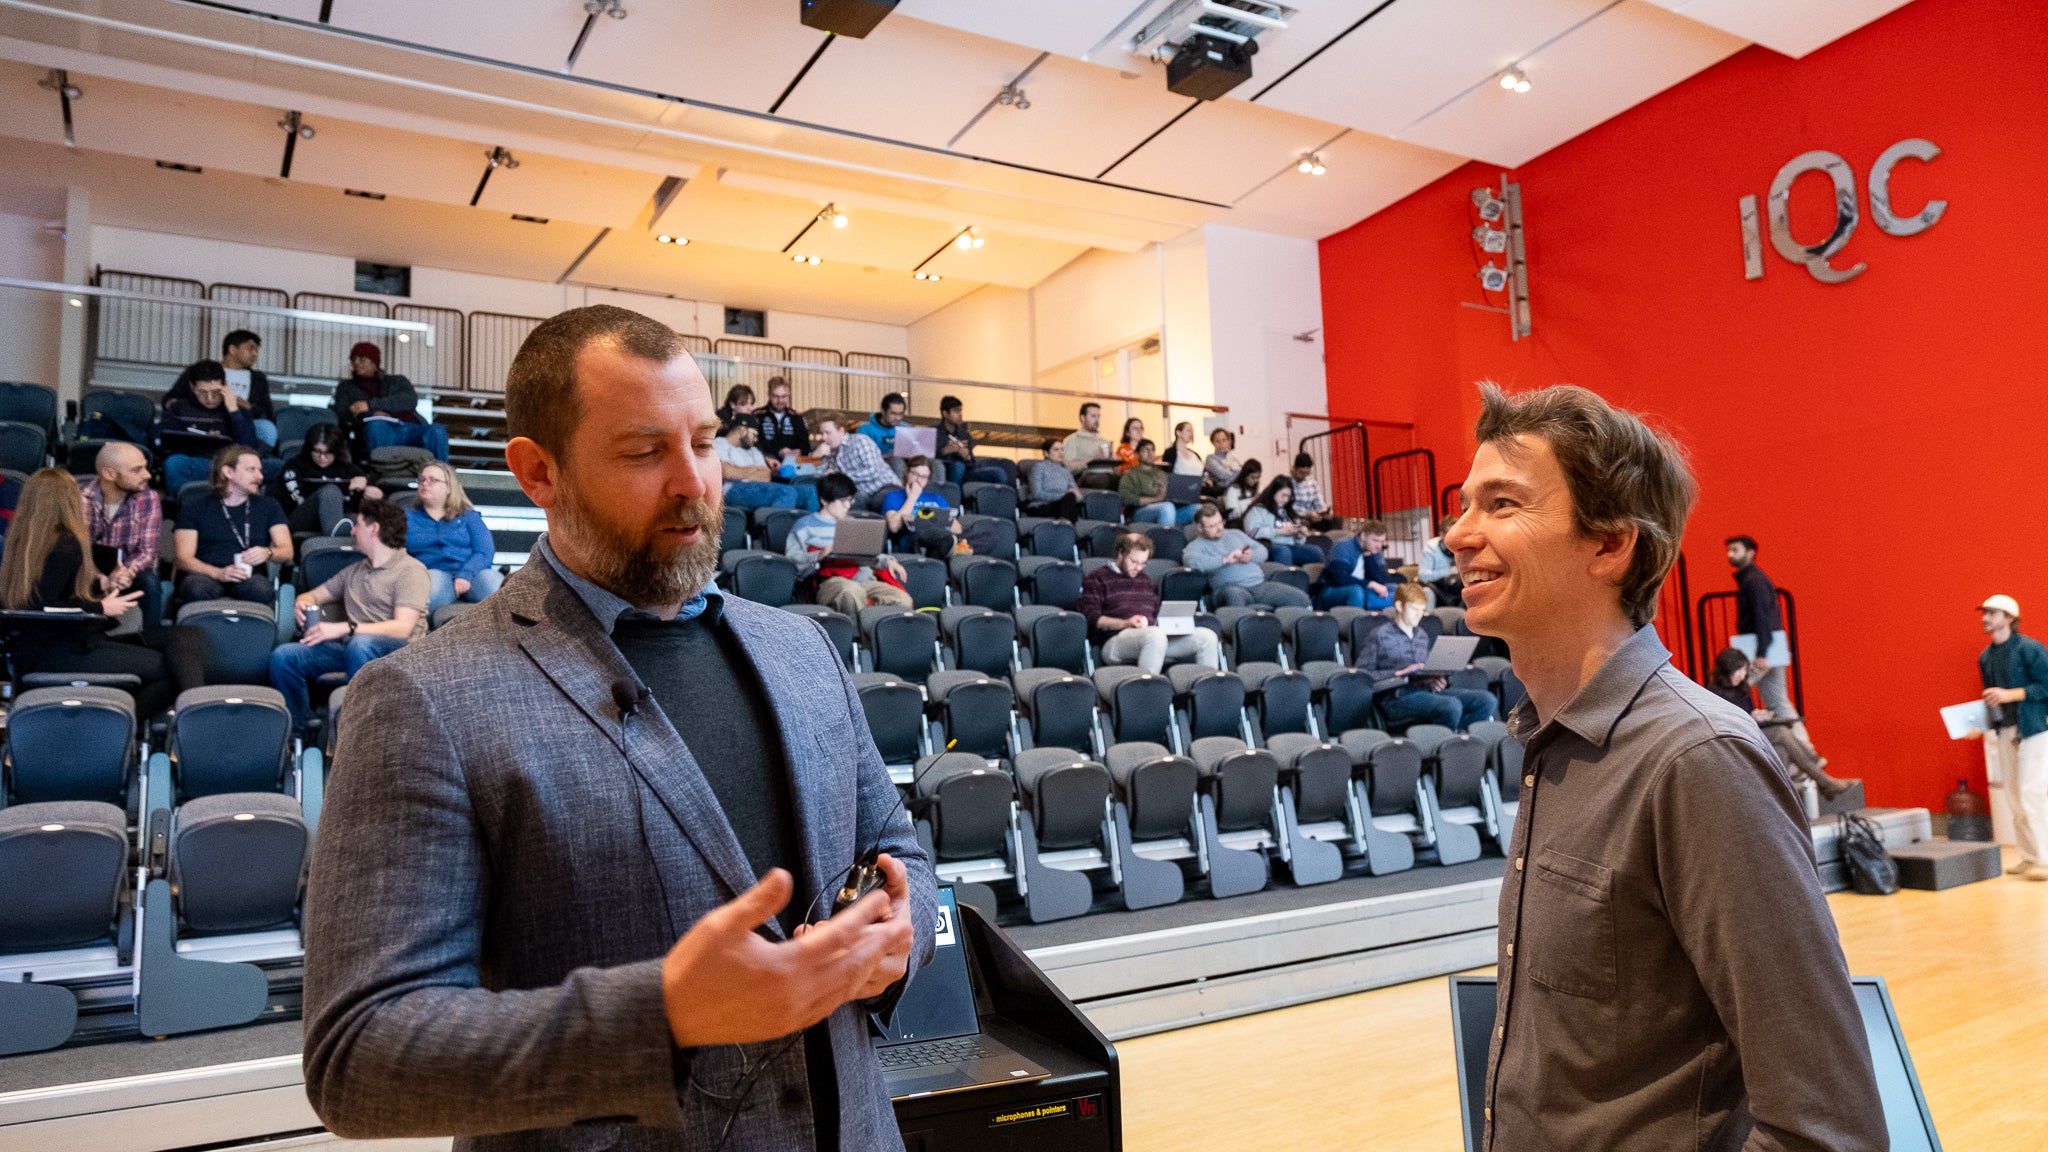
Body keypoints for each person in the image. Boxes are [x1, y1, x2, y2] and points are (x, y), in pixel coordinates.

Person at [301, 305, 933, 1151]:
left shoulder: (804, 648)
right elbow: (360, 1060)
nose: (693, 482)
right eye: (644, 451)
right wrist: (664, 1014)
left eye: (704, 442)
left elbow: (902, 849)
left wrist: (902, 931)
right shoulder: (423, 699)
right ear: (538, 473)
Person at [1450, 382, 1882, 1152]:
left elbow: (1827, 1130)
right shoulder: (1547, 744)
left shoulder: (1698, 760)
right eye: (1464, 503)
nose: (1458, 533)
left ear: (1612, 545)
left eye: (1502, 504)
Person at [1, 468, 204, 718]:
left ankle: (196, 707)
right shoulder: (66, 544)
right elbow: (41, 604)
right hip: (61, 651)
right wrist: (100, 608)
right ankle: (119, 725)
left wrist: (104, 585)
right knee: (174, 669)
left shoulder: (20, 541)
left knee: (182, 638)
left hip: (43, 647)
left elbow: (50, 592)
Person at [269, 499, 428, 733]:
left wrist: (346, 628)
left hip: (398, 652)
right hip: (352, 647)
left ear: (374, 529)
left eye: (358, 525)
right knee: (284, 656)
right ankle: (302, 729)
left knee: (361, 644)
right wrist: (302, 605)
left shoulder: (411, 570)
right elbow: (313, 596)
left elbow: (403, 628)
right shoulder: (354, 571)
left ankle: (360, 726)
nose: (352, 531)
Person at [1725, 534, 1823, 768]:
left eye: (1735, 550)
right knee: (1778, 701)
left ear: (1751, 553)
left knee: (1729, 691)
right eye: (1729, 550)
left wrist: (1761, 653)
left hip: (1759, 648)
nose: (1730, 555)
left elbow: (1763, 617)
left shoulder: (1754, 582)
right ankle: (1808, 753)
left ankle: (1736, 750)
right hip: (1769, 646)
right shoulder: (1754, 580)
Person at [1707, 647, 1855, 800]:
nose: (1742, 674)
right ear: (1726, 670)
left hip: (1754, 732)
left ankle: (1781, 797)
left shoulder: (1741, 688)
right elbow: (1724, 723)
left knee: (1780, 750)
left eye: (1744, 670)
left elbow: (1747, 712)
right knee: (1781, 732)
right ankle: (1821, 775)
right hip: (1738, 739)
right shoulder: (1714, 694)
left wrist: (1757, 715)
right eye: (1738, 670)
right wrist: (1751, 718)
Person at [1973, 594, 2048, 881]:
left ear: (2009, 618)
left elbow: (2046, 685)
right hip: (2005, 730)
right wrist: (1978, 723)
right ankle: (2030, 856)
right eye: (1985, 613)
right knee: (2014, 797)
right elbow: (1991, 699)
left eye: (1992, 613)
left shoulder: (2030, 649)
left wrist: (2011, 694)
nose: (1986, 618)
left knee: (2031, 792)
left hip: (2034, 730)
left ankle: (2045, 857)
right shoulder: (1986, 656)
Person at [1356, 583, 1496, 731]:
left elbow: (1425, 668)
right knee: (1450, 705)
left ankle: (1453, 738)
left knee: (1486, 701)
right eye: (1414, 609)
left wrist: (1435, 679)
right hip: (1396, 695)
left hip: (1425, 690)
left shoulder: (1421, 635)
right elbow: (1363, 674)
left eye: (1422, 610)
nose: (1419, 615)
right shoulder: (1380, 634)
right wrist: (1400, 673)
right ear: (1399, 606)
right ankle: (1443, 741)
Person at [1079, 532, 1222, 675]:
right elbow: (1092, 618)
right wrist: (1126, 623)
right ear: (1120, 554)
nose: (1138, 568)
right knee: (1155, 635)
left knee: (1207, 636)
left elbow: (1156, 614)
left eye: (1143, 563)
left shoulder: (1145, 581)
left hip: (1153, 636)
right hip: (1114, 641)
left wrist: (1172, 624)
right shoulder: (1097, 578)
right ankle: (1147, 689)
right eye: (1133, 562)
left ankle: (1208, 689)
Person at [174, 444, 293, 607]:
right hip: (206, 572)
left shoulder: (269, 505)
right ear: (228, 472)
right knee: (196, 588)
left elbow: (287, 551)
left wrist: (268, 552)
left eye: (260, 470)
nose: (260, 476)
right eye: (251, 470)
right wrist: (219, 573)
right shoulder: (195, 506)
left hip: (248, 574)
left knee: (261, 589)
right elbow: (183, 559)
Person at [787, 472, 915, 617]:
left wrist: (888, 561)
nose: (848, 506)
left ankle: (881, 636)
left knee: (902, 599)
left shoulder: (852, 522)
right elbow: (792, 561)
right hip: (829, 582)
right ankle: (857, 635)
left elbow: (868, 554)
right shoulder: (805, 526)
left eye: (850, 500)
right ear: (824, 500)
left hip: (863, 579)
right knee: (852, 592)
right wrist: (819, 555)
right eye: (843, 501)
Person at [78, 440, 165, 632]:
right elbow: (78, 551)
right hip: (88, 567)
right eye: (137, 470)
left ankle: (151, 641)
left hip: (130, 568)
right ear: (109, 474)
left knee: (149, 582)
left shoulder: (149, 497)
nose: (148, 475)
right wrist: (101, 577)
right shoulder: (80, 498)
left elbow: (147, 551)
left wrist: (126, 572)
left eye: (145, 468)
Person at [161, 359, 270, 492]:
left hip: (228, 465)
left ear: (225, 386)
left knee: (274, 467)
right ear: (192, 387)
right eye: (203, 393)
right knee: (174, 463)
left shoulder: (239, 411)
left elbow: (247, 448)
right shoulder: (178, 408)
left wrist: (233, 412)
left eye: (216, 392)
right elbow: (162, 440)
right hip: (192, 462)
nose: (210, 398)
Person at [406, 462, 502, 613]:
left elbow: (484, 551)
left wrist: (465, 574)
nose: (425, 484)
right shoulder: (407, 516)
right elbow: (400, 553)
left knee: (494, 583)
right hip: (432, 571)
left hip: (473, 573)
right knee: (432, 583)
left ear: (449, 487)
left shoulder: (468, 516)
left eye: (433, 480)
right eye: (422, 480)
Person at [334, 341, 448, 461]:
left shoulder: (397, 381)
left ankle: (441, 475)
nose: (356, 363)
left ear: (375, 362)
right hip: (381, 431)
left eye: (362, 359)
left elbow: (409, 400)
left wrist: (370, 405)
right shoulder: (346, 387)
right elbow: (343, 414)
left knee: (437, 430)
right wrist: (372, 415)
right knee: (376, 425)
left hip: (411, 428)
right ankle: (380, 473)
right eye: (353, 359)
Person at [167, 329, 278, 447]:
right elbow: (172, 398)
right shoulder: (203, 371)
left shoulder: (258, 378)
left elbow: (267, 412)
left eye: (256, 350)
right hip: (204, 419)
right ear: (232, 349)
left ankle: (252, 460)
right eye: (250, 348)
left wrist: (248, 407)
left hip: (242, 420)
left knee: (267, 428)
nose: (255, 354)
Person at [1184, 503, 1307, 608]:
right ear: (1200, 528)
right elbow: (1193, 564)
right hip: (1228, 588)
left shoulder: (1235, 534)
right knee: (1234, 595)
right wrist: (1225, 559)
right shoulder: (1195, 546)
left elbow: (1262, 550)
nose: (1219, 528)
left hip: (1259, 586)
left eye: (1220, 523)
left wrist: (1251, 555)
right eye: (1212, 526)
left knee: (1301, 599)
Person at [280, 424, 383, 537]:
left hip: (344, 518)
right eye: (317, 451)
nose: (322, 457)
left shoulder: (348, 469)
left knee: (361, 519)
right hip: (302, 519)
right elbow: (294, 498)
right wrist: (346, 487)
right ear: (309, 448)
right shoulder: (295, 465)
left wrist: (375, 494)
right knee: (330, 492)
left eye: (328, 452)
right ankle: (335, 534)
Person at [715, 415, 806, 513]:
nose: (756, 439)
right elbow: (727, 472)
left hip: (758, 487)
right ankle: (770, 523)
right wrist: (755, 470)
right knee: (787, 492)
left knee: (808, 491)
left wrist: (738, 471)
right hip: (731, 489)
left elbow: (766, 475)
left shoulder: (753, 450)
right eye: (754, 434)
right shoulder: (719, 444)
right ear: (742, 431)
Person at [881, 456, 961, 558]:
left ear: (928, 480)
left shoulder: (937, 498)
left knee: (948, 538)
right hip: (911, 538)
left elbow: (958, 529)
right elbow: (894, 527)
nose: (918, 480)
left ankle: (929, 561)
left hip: (938, 537)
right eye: (915, 474)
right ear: (907, 473)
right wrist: (912, 497)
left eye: (923, 477)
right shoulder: (893, 496)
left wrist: (933, 522)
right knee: (925, 535)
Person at [1317, 520, 1402, 610]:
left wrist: (1370, 558)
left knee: (1396, 589)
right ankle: (1356, 622)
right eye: (1375, 540)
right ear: (1363, 536)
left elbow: (1382, 580)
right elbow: (1339, 578)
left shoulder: (1375, 550)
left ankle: (1384, 621)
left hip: (1362, 587)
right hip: (1333, 589)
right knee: (1356, 591)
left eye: (1381, 542)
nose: (1379, 546)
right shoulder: (1343, 546)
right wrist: (1370, 584)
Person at [817, 416, 898, 506]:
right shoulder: (830, 453)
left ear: (841, 431)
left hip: (883, 487)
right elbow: (820, 475)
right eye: (822, 433)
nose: (823, 437)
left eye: (828, 433)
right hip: (861, 493)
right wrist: (815, 455)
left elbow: (872, 471)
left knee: (879, 501)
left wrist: (841, 477)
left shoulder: (860, 441)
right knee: (842, 505)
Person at [1242, 475, 1322, 566]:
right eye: (1283, 495)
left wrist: (1298, 536)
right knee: (1283, 552)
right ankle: (1286, 578)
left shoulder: (1284, 511)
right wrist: (1279, 531)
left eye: (1288, 496)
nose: (1286, 500)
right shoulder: (1257, 510)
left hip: (1288, 546)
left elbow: (1296, 541)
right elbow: (1252, 532)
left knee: (1315, 552)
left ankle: (1314, 579)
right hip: (1268, 547)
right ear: (1273, 492)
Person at [933, 395, 1006, 486]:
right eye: (956, 411)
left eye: (960, 410)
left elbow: (971, 460)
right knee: (958, 467)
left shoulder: (964, 434)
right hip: (947, 471)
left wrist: (966, 455)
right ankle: (954, 496)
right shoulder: (934, 432)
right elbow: (927, 457)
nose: (960, 414)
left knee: (999, 472)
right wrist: (946, 450)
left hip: (967, 472)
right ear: (945, 413)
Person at [1118, 439, 1178, 525]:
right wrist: (1155, 499)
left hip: (1168, 508)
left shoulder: (1163, 475)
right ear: (1137, 454)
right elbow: (1126, 498)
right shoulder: (1130, 475)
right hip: (1141, 512)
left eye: (1152, 449)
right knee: (1167, 508)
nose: (1150, 453)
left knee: (1196, 508)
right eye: (1145, 450)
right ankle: (1166, 537)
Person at [1023, 438, 1085, 521]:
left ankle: (1064, 522)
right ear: (1046, 453)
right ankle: (1065, 524)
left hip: (1062, 505)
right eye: (1056, 450)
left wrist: (1075, 496)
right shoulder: (1038, 467)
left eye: (1062, 449)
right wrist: (1062, 496)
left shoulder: (1065, 470)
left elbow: (1077, 494)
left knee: (1071, 500)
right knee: (1070, 505)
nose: (1061, 453)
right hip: (1041, 505)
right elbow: (1036, 494)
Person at [757, 376, 809, 464]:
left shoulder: (797, 417)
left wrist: (799, 451)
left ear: (789, 395)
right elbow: (754, 445)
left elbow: (806, 446)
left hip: (791, 469)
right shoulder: (758, 416)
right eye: (776, 396)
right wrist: (778, 452)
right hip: (765, 468)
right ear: (769, 394)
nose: (780, 400)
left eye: (784, 396)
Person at [1418, 514, 1462, 607]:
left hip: (1456, 585)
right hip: (1439, 587)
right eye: (1450, 534)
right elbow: (1423, 575)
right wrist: (1449, 571)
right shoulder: (1431, 547)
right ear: (1442, 535)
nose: (1454, 538)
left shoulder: (1461, 546)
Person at [1288, 453, 1339, 531]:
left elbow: (1320, 504)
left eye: (1307, 473)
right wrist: (1305, 516)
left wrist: (1324, 513)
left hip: (1311, 519)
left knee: (1335, 520)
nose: (1304, 476)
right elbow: (1285, 510)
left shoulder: (1312, 484)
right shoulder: (1286, 483)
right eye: (1301, 473)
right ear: (1294, 468)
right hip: (1294, 518)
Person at [1062, 402, 1113, 473]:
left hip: (1108, 476)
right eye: (1093, 416)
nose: (1097, 420)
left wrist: (1112, 458)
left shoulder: (1104, 442)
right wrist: (1093, 460)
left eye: (1098, 416)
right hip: (1086, 478)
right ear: (1082, 418)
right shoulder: (1071, 440)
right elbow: (1068, 466)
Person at [1220, 458, 1262, 526]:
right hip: (1239, 523)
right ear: (1245, 475)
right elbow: (1232, 514)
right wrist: (1250, 501)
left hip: (1255, 520)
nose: (1256, 480)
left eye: (1258, 477)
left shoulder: (1257, 488)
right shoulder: (1233, 489)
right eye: (1253, 477)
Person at [1203, 428, 1240, 494]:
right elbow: (1223, 476)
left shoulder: (1233, 458)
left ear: (1229, 441)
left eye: (1224, 440)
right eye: (1217, 441)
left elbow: (1243, 474)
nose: (1221, 443)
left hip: (1238, 489)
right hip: (1223, 491)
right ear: (1213, 443)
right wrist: (1236, 472)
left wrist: (1231, 470)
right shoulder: (1211, 458)